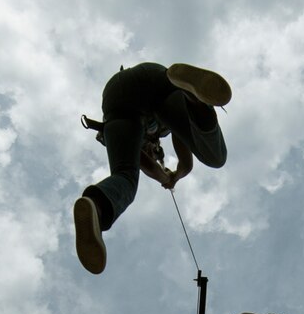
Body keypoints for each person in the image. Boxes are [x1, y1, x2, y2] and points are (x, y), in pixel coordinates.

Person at [72, 61, 232, 274]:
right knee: (215, 157)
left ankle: (97, 205)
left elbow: (180, 145)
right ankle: (193, 98)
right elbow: (169, 157)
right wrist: (171, 176)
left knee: (124, 176)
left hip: (116, 99)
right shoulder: (156, 127)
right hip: (155, 82)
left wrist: (172, 175)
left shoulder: (146, 131)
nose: (151, 152)